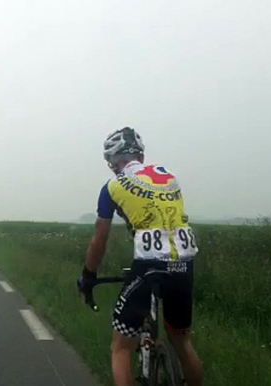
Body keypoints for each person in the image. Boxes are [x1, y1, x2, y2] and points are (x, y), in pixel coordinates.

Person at [77, 127, 204, 386]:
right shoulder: (169, 177)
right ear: (141, 157)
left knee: (122, 347)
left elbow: (100, 239)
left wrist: (88, 275)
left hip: (148, 264)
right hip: (184, 264)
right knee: (181, 340)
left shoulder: (113, 186)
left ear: (113, 162)